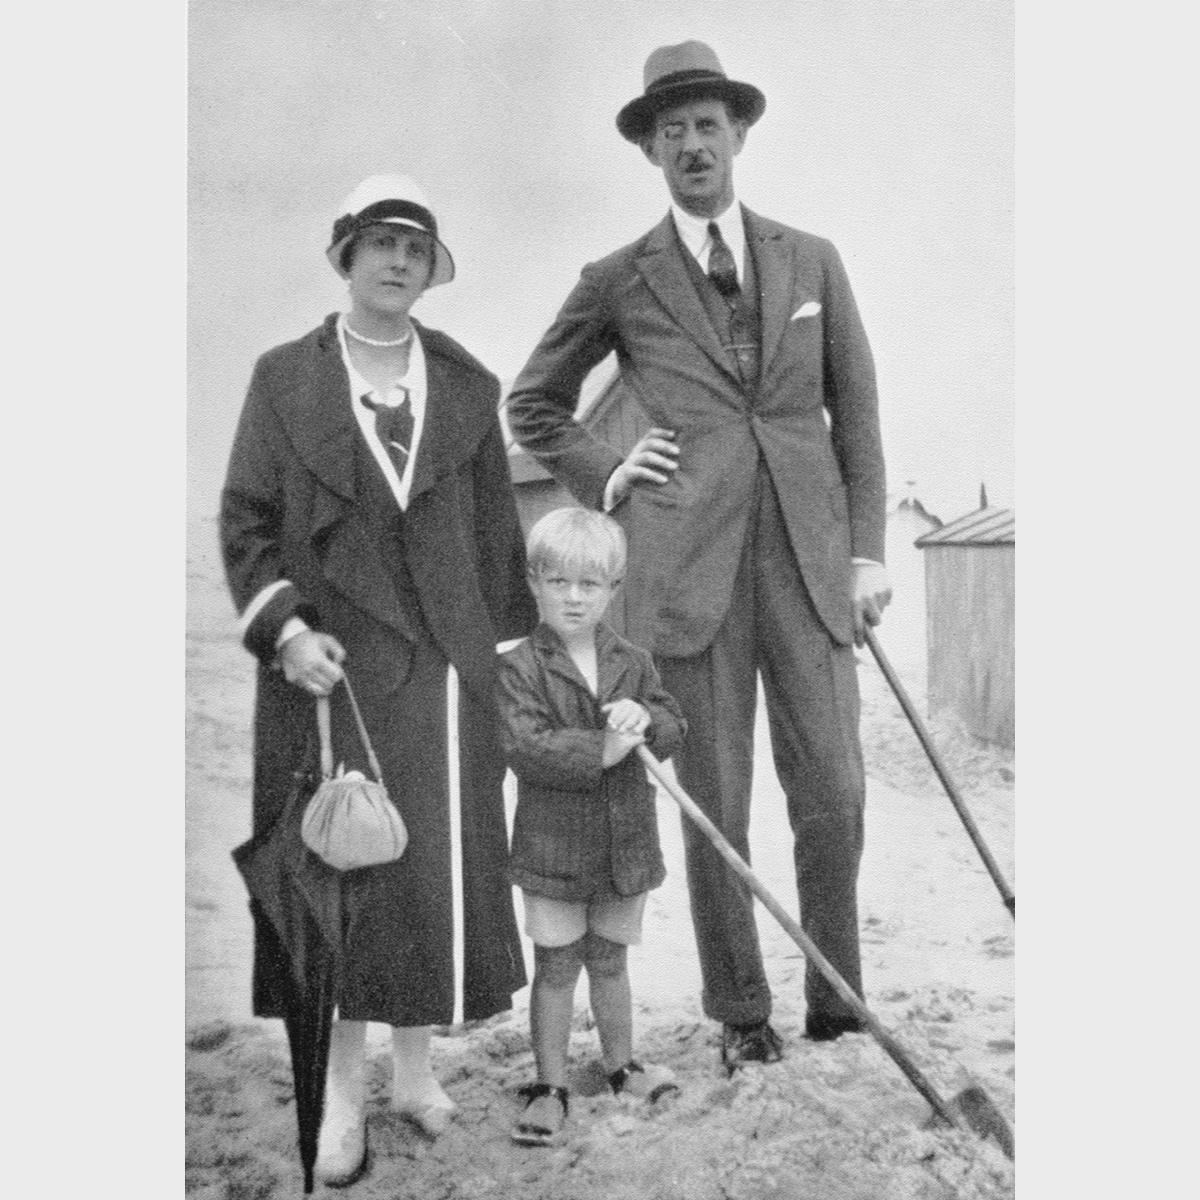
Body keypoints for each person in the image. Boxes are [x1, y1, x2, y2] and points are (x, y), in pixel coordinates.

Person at [506, 42, 892, 1073]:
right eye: (669, 129)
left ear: (739, 134)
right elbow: (532, 401)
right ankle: (741, 1012)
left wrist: (865, 556)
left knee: (835, 792)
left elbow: (854, 412)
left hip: (810, 572)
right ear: (651, 150)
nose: (691, 144)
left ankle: (839, 996)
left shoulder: (812, 259)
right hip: (686, 577)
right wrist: (605, 471)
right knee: (716, 802)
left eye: (706, 124)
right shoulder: (618, 278)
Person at [220, 175, 536, 1185]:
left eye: (416, 248)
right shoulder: (284, 381)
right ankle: (343, 1095)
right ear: (346, 258)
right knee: (340, 875)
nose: (397, 262)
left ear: (429, 270)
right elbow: (247, 522)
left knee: (430, 872)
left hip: (442, 675)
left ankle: (413, 1074)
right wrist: (286, 632)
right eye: (379, 244)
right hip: (331, 669)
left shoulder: (468, 386)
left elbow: (495, 542)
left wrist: (499, 657)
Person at [496, 507, 687, 1145]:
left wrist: (645, 717)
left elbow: (670, 723)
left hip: (623, 846)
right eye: (559, 583)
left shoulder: (631, 660)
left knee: (609, 960)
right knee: (556, 966)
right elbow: (524, 745)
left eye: (590, 585)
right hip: (554, 848)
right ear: (533, 581)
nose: (574, 598)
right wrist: (599, 749)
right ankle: (550, 1085)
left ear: (614, 588)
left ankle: (620, 1064)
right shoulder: (521, 665)